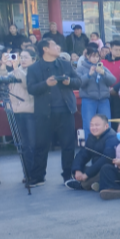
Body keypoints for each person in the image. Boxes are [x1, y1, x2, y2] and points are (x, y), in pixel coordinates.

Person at [27, 38, 81, 185]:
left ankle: (68, 174)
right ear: (45, 49)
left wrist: (69, 82)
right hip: (44, 112)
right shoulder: (34, 68)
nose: (58, 47)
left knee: (68, 145)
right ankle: (38, 176)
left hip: (65, 110)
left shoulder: (65, 64)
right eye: (54, 45)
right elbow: (31, 89)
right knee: (41, 145)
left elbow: (79, 81)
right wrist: (46, 84)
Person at [3, 50, 36, 176]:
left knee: (30, 144)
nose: (22, 60)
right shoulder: (14, 71)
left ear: (33, 59)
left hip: (29, 111)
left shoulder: (33, 72)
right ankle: (27, 173)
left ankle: (34, 173)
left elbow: (26, 83)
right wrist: (3, 65)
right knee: (22, 144)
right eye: (20, 57)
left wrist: (16, 67)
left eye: (25, 57)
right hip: (15, 111)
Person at [66, 114, 120, 191]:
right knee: (77, 166)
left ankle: (82, 185)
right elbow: (83, 154)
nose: (94, 128)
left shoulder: (112, 137)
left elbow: (106, 159)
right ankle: (96, 184)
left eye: (97, 125)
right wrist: (77, 170)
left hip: (110, 168)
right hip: (95, 168)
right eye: (92, 125)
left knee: (103, 171)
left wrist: (87, 174)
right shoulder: (91, 137)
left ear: (106, 126)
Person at [76, 46, 116, 134]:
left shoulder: (103, 68)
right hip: (88, 99)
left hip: (104, 99)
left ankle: (106, 142)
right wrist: (89, 75)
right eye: (93, 56)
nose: (95, 59)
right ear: (87, 56)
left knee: (106, 123)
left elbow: (113, 80)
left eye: (97, 56)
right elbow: (78, 83)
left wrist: (103, 73)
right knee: (88, 124)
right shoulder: (81, 68)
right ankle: (89, 142)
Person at [101, 39, 120, 120]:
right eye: (116, 50)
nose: (118, 52)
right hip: (105, 94)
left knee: (119, 117)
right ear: (110, 49)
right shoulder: (103, 62)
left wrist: (115, 88)